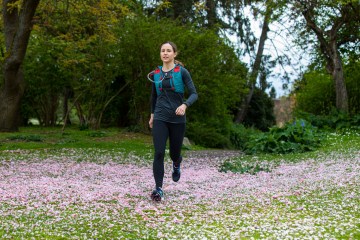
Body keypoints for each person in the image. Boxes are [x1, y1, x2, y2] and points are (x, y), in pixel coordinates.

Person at [148, 41, 198, 202]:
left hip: (177, 118)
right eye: (163, 50)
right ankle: (159, 189)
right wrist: (152, 115)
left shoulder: (182, 72)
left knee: (174, 153)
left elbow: (194, 94)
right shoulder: (156, 73)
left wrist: (185, 105)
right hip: (160, 117)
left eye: (169, 50)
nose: (165, 53)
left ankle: (177, 162)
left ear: (174, 54)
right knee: (159, 152)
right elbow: (154, 96)